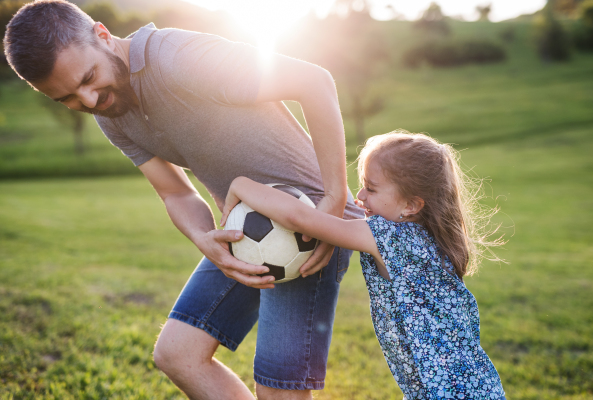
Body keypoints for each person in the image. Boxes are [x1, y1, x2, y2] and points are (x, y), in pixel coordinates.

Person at [3, 1, 363, 399]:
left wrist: (332, 202)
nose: (88, 100)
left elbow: (314, 80)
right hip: (245, 229)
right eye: (67, 98)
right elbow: (174, 190)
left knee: (279, 391)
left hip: (307, 221)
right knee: (178, 354)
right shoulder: (110, 110)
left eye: (89, 77)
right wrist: (204, 237)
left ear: (103, 35)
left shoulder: (177, 58)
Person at [221, 131, 506, 399]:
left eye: (370, 188)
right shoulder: (423, 236)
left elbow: (301, 220)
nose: (360, 197)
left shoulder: (392, 236)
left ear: (411, 205)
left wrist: (240, 185)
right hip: (468, 387)